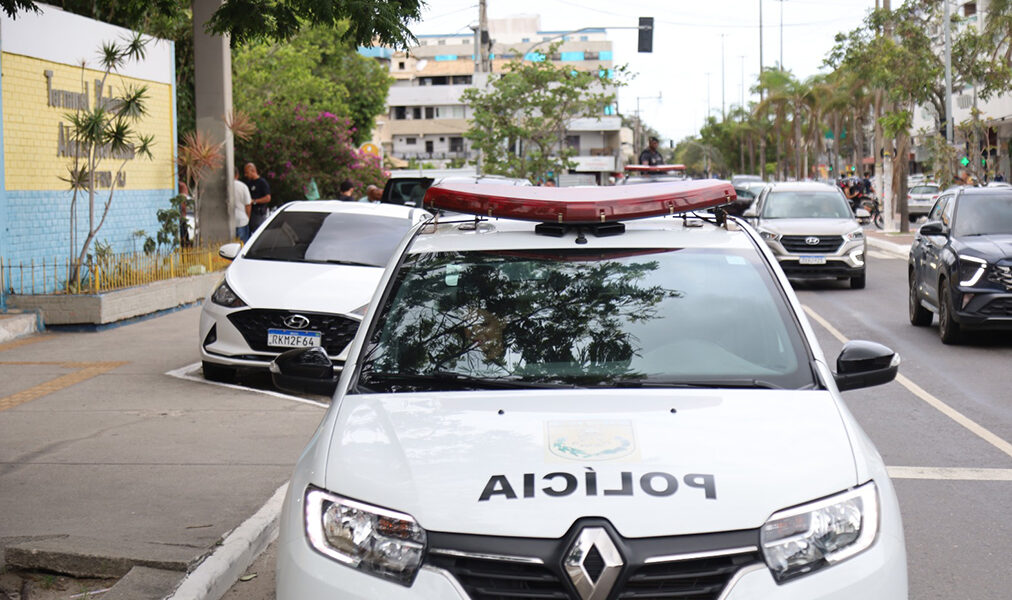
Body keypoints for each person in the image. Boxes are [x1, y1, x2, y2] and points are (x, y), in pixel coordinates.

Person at [244, 163, 271, 232]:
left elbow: (268, 198)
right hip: (250, 213)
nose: (246, 175)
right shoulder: (249, 183)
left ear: (253, 171)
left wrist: (255, 201)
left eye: (247, 172)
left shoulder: (262, 182)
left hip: (259, 213)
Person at [232, 169, 252, 242]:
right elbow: (248, 204)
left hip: (227, 221)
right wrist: (247, 218)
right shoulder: (243, 186)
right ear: (237, 175)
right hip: (242, 220)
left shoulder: (224, 186)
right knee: (242, 246)